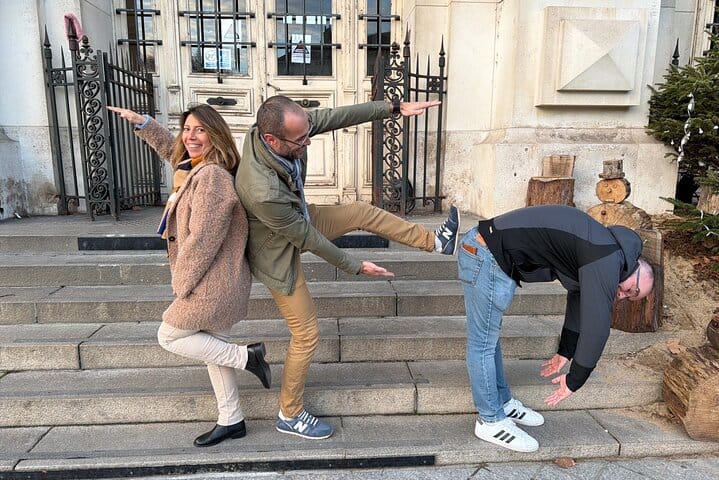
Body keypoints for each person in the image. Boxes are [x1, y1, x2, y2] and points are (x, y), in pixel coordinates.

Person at [236, 95, 460, 440]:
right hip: (275, 252)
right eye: (301, 140)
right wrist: (355, 265)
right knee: (306, 333)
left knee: (360, 211)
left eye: (307, 133)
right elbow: (307, 239)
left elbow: (335, 116)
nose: (309, 142)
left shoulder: (286, 128)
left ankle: (436, 242)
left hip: (296, 217)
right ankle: (289, 414)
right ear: (271, 140)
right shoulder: (261, 189)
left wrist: (392, 108)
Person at [107, 105, 271, 447]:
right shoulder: (195, 167)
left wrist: (182, 281)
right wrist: (144, 123)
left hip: (212, 282)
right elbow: (175, 150)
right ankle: (232, 420)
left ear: (216, 134)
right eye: (187, 129)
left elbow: (203, 238)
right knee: (214, 350)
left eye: (200, 130)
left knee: (169, 335)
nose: (191, 136)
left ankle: (248, 357)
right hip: (221, 277)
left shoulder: (211, 177)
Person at [457, 204, 655, 453]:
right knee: (482, 343)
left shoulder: (603, 251)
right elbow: (597, 327)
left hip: (489, 253)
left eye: (630, 298)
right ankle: (490, 420)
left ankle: (502, 403)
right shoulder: (607, 258)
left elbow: (578, 297)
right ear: (636, 267)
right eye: (632, 291)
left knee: (488, 339)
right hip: (483, 252)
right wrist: (575, 380)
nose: (622, 296)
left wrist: (566, 352)